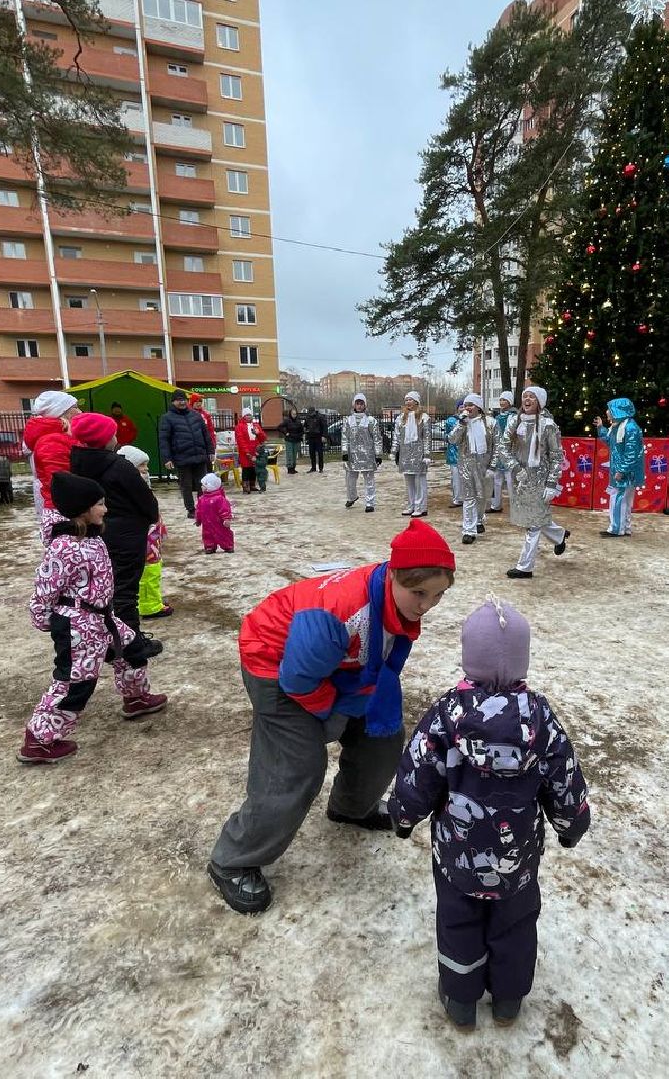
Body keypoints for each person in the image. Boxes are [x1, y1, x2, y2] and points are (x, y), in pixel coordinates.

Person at [208, 519, 457, 914]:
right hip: (276, 662)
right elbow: (298, 679)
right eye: (419, 593)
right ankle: (233, 859)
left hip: (336, 663)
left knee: (382, 735)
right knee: (298, 764)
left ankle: (351, 807)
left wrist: (360, 701)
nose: (426, 605)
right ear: (393, 574)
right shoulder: (342, 611)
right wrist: (334, 712)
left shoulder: (392, 598)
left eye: (438, 595)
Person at [389, 599, 590, 1029]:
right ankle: (508, 999)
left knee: (458, 922)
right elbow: (564, 776)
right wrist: (571, 823)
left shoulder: (447, 714)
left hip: (457, 857)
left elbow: (419, 769)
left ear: (469, 657)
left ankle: (460, 1000)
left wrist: (403, 815)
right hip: (517, 860)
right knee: (515, 924)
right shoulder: (541, 720)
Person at [20, 471, 167, 764]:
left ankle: (136, 697)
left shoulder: (93, 537)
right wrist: (46, 618)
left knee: (133, 649)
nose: (105, 509)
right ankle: (39, 740)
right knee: (76, 682)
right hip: (77, 625)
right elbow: (45, 587)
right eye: (99, 504)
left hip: (102, 618)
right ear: (82, 509)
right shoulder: (64, 547)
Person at [69, 412, 163, 655]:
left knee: (102, 589)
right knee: (125, 591)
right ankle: (130, 643)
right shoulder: (120, 466)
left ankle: (108, 639)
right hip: (127, 535)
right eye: (112, 433)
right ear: (104, 438)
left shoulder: (76, 463)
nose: (115, 437)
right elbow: (146, 501)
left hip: (96, 533)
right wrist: (151, 516)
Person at [498, 387, 569, 579]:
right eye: (525, 396)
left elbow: (556, 456)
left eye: (532, 397)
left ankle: (525, 567)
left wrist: (551, 483)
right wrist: (515, 468)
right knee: (534, 518)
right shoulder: (515, 421)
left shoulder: (548, 425)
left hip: (541, 480)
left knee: (533, 524)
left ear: (540, 402)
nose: (527, 399)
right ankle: (559, 535)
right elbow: (503, 447)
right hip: (520, 479)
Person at [118, 444, 173, 620]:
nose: (146, 470)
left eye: (146, 465)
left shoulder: (140, 486)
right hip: (145, 540)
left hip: (151, 538)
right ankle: (150, 606)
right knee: (149, 573)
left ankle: (150, 601)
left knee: (152, 572)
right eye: (142, 466)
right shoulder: (132, 489)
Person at [158, 389, 217, 519]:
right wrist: (167, 458)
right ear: (173, 402)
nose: (182, 402)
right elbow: (164, 440)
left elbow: (206, 434)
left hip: (199, 455)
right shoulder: (167, 418)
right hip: (182, 457)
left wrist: (210, 450)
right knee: (186, 485)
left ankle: (203, 507)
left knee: (203, 484)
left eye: (184, 399)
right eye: (179, 400)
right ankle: (191, 509)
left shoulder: (196, 415)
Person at [22, 390, 81, 519]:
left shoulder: (57, 435)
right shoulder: (53, 441)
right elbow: (61, 482)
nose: (80, 412)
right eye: (75, 408)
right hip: (62, 508)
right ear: (61, 412)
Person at [448, 393, 496, 545]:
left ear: (478, 407)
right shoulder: (462, 423)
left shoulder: (490, 422)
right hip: (466, 465)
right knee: (469, 497)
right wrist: (461, 424)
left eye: (471, 405)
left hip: (484, 465)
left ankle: (479, 519)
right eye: (466, 405)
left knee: (482, 497)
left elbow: (497, 445)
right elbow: (452, 440)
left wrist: (493, 466)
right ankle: (468, 530)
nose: (467, 408)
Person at [593, 398, 645, 538]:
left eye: (610, 410)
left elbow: (632, 453)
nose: (608, 412)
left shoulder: (630, 428)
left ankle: (616, 529)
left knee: (619, 498)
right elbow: (610, 441)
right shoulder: (619, 426)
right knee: (624, 499)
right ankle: (623, 527)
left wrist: (622, 470)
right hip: (621, 470)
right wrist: (601, 428)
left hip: (625, 472)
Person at [391, 391, 430, 517]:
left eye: (410, 399)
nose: (408, 402)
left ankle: (421, 507)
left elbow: (427, 437)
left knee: (419, 481)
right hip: (406, 453)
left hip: (419, 453)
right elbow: (397, 436)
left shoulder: (424, 417)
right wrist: (394, 451)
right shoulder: (401, 418)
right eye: (406, 400)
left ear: (416, 401)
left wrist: (427, 454)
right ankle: (410, 505)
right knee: (408, 481)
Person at [341, 393, 380, 512]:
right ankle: (352, 497)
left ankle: (370, 503)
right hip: (352, 455)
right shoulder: (348, 420)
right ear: (354, 405)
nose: (359, 406)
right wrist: (344, 452)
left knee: (369, 479)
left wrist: (378, 454)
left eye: (361, 403)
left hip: (367, 455)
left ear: (365, 405)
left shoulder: (371, 421)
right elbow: (344, 437)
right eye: (357, 403)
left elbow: (377, 438)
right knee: (350, 479)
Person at [488, 390, 516, 513]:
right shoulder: (497, 417)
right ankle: (496, 505)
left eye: (504, 400)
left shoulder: (514, 417)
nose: (502, 402)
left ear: (510, 402)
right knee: (496, 480)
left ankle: (515, 507)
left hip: (509, 453)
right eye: (500, 400)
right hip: (498, 453)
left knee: (511, 482)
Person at [195, 471, 234, 553]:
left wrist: (226, 518)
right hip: (206, 523)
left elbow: (225, 509)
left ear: (209, 486)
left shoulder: (219, 498)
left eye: (203, 485)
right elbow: (199, 511)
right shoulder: (202, 499)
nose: (201, 487)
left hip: (219, 522)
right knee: (207, 535)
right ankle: (210, 546)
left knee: (224, 533)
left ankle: (228, 545)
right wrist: (198, 520)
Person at [235, 409, 267, 493]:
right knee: (246, 468)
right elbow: (240, 440)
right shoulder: (239, 426)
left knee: (254, 467)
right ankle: (245, 485)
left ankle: (252, 485)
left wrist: (259, 433)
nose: (249, 416)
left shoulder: (256, 425)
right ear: (243, 416)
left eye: (250, 415)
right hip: (245, 451)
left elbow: (263, 438)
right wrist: (246, 451)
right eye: (247, 415)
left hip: (255, 450)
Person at [443, 404, 463, 508]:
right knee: (456, 477)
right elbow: (448, 435)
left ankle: (466, 498)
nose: (463, 409)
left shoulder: (469, 420)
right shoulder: (451, 420)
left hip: (465, 453)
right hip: (454, 452)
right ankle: (457, 498)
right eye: (461, 406)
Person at [279, 406, 304, 475]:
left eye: (295, 414)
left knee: (294, 454)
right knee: (290, 454)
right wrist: (285, 433)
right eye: (293, 414)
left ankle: (293, 467)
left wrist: (300, 436)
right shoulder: (287, 421)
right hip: (289, 440)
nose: (294, 415)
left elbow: (302, 430)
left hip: (296, 440)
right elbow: (279, 427)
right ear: (290, 414)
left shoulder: (298, 421)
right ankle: (289, 468)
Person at [304, 407, 328, 473]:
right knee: (311, 453)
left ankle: (321, 468)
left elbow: (325, 426)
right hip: (311, 437)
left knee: (320, 453)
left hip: (318, 437)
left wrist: (324, 436)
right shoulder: (308, 417)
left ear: (314, 412)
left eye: (311, 413)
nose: (310, 414)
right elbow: (305, 425)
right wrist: (306, 431)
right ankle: (313, 467)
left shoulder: (320, 417)